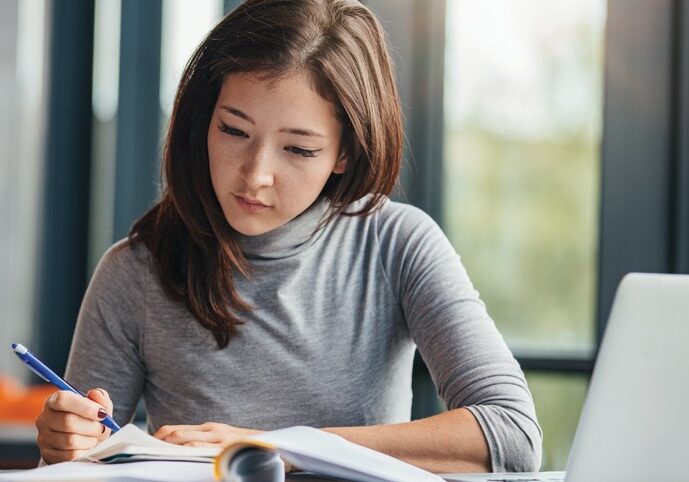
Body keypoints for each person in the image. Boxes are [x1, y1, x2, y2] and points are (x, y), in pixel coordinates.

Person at [35, 0, 542, 473]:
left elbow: (513, 434)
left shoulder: (396, 244)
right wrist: (66, 448)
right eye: (234, 131)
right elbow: (74, 471)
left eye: (298, 150)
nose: (255, 175)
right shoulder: (136, 273)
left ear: (344, 154)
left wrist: (276, 447)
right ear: (204, 120)